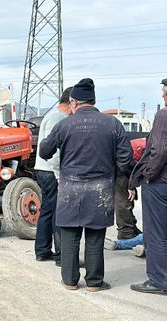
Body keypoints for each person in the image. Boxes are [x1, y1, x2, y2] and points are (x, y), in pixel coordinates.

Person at [40, 78, 132, 292]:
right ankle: (94, 282)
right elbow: (126, 157)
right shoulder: (112, 124)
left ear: (73, 102)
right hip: (101, 188)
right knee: (95, 234)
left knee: (70, 234)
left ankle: (70, 281)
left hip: (70, 188)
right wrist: (117, 176)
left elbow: (45, 151)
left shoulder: (64, 124)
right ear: (93, 100)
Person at [128, 78, 167, 295]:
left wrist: (150, 175)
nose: (162, 94)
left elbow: (159, 151)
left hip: (160, 182)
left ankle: (159, 280)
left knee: (157, 232)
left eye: (164, 90)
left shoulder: (164, 115)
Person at [34, 87, 73, 265]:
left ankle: (42, 250)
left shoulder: (53, 115)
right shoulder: (58, 118)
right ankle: (61, 255)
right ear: (71, 102)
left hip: (45, 170)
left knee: (48, 211)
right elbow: (54, 151)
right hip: (51, 171)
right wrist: (59, 175)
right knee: (58, 213)